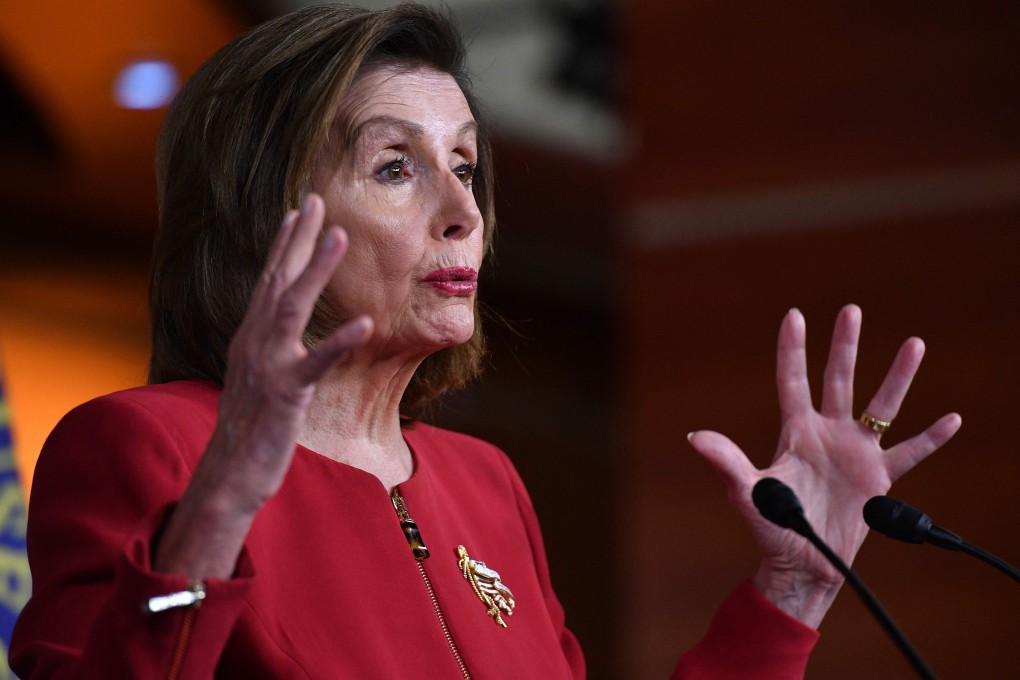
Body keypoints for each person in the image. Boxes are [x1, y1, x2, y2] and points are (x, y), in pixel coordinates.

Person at [8, 4, 961, 679]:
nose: (464, 211)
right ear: (268, 216)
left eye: (464, 165)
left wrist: (791, 590)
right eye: (395, 166)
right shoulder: (144, 445)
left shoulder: (486, 483)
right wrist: (218, 505)